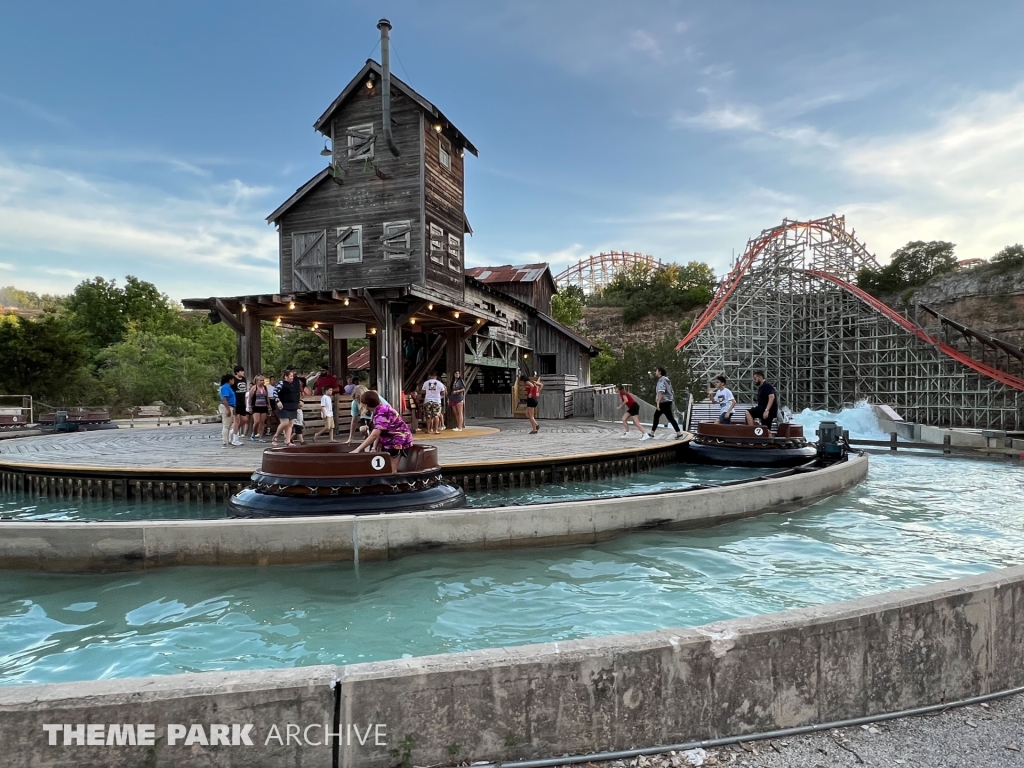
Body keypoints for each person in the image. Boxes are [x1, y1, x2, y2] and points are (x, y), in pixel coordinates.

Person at [350, 390, 414, 456]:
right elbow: (379, 431)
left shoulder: (381, 413)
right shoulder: (380, 409)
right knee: (383, 461)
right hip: (392, 439)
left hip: (398, 440)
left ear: (366, 405)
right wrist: (374, 447)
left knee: (390, 464)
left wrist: (358, 449)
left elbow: (374, 434)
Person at [645, 366, 684, 441]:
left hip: (664, 402)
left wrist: (658, 403)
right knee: (663, 417)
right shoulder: (666, 380)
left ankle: (652, 433)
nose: (655, 372)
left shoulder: (661, 380)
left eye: (656, 371)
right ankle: (678, 433)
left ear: (660, 372)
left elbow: (661, 392)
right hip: (667, 401)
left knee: (662, 417)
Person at [273, 368, 302, 447]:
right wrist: (278, 401)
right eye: (291, 376)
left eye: (293, 376)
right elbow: (275, 392)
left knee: (290, 424)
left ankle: (288, 441)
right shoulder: (281, 383)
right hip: (283, 405)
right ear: (286, 376)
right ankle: (276, 435)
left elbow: (296, 394)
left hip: (292, 406)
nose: (292, 377)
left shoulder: (293, 384)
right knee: (285, 422)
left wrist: (299, 401)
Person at [218, 373, 238, 447]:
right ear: (230, 380)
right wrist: (228, 409)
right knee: (226, 425)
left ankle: (228, 439)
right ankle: (225, 441)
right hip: (227, 406)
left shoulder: (228, 387)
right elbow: (224, 399)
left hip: (231, 406)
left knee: (229, 425)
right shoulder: (225, 387)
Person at [248, 375, 270, 443]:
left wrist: (269, 405)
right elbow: (250, 398)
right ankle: (253, 433)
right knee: (257, 421)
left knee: (262, 422)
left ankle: (261, 437)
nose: (262, 382)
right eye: (260, 380)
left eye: (263, 380)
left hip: (263, 406)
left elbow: (267, 397)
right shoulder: (254, 388)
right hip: (256, 406)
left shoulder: (265, 388)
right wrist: (250, 406)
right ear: (257, 381)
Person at [232, 366, 249, 441]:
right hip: (236, 402)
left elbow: (244, 391)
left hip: (242, 402)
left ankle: (233, 431)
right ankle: (235, 438)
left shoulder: (244, 379)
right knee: (237, 420)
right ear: (237, 372)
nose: (243, 372)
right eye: (241, 371)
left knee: (244, 419)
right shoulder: (233, 380)